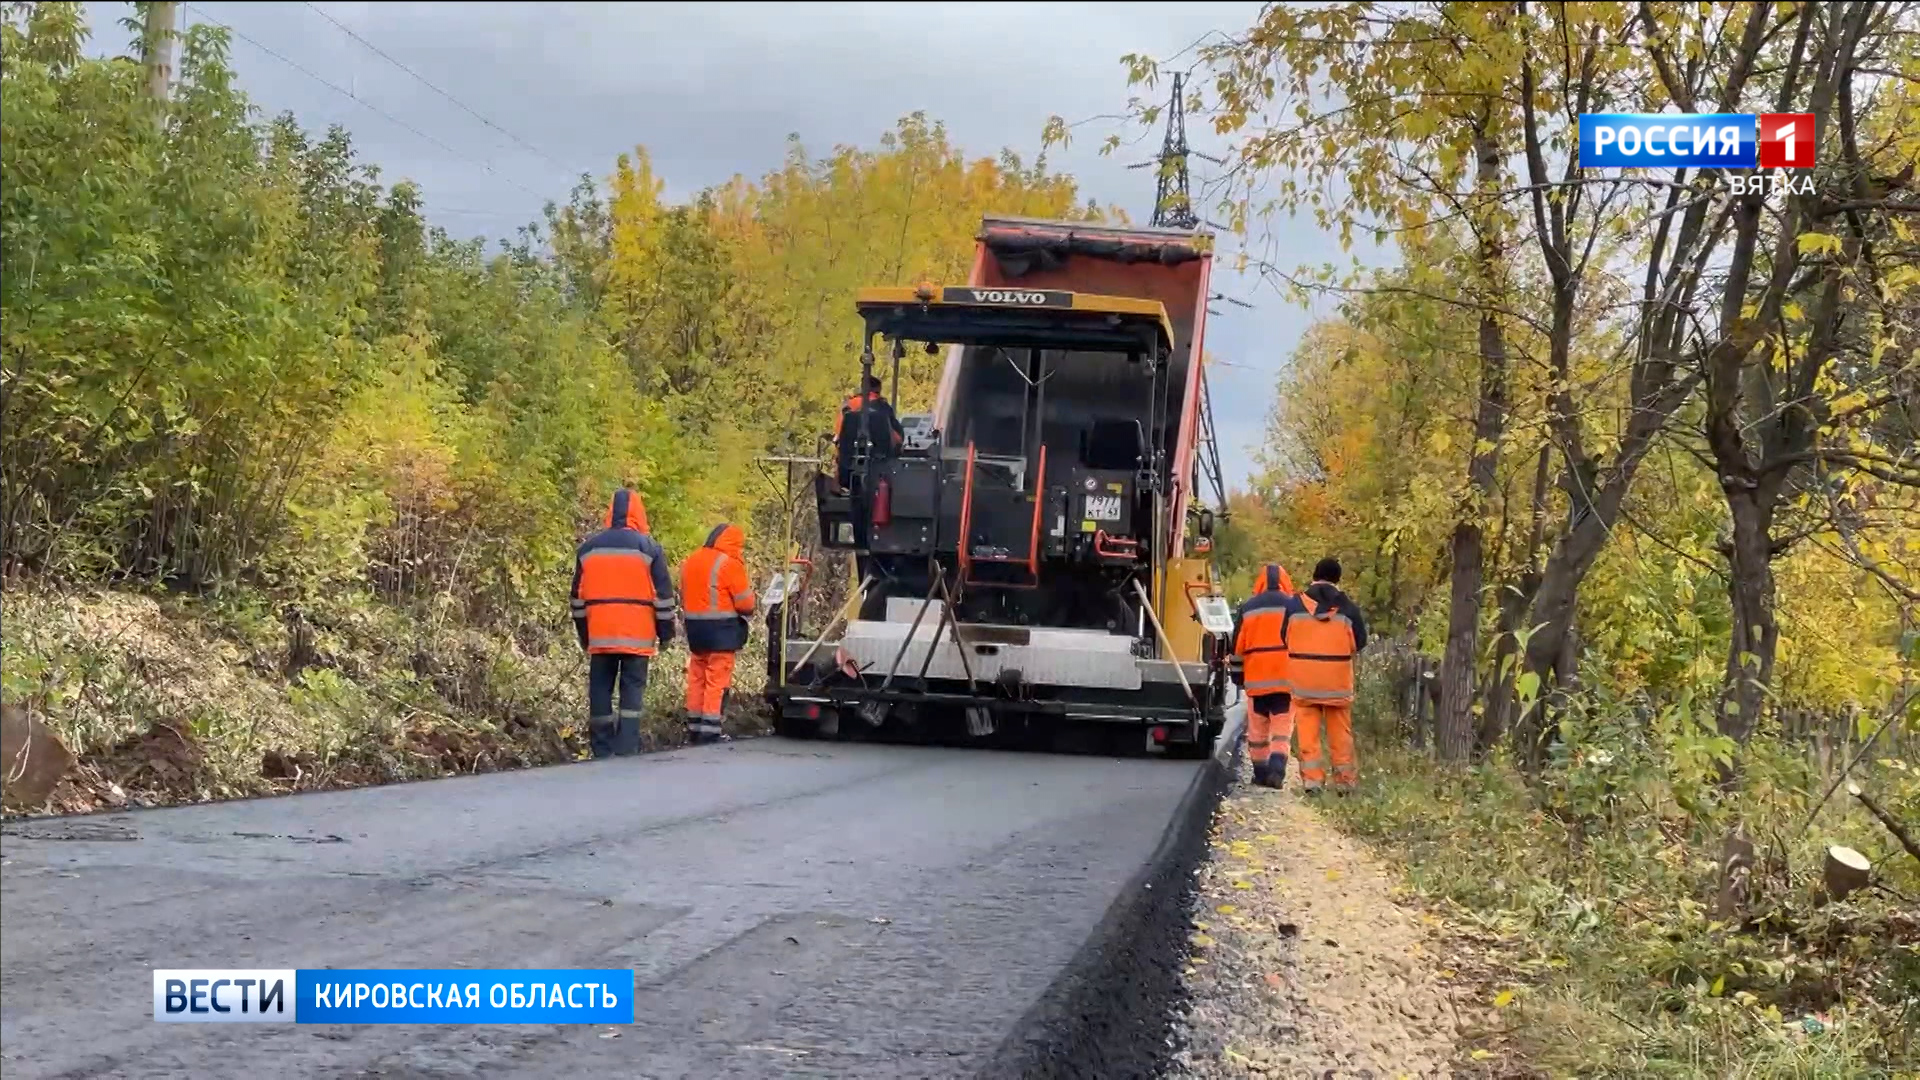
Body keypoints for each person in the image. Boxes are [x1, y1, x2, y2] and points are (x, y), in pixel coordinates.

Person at [569, 487, 677, 759]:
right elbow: (663, 598)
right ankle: (627, 748)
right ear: (639, 514)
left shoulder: (588, 549)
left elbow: (577, 600)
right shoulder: (649, 548)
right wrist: (666, 635)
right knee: (631, 693)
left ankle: (602, 749)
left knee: (600, 690)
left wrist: (585, 636)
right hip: (637, 637)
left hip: (600, 635)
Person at [1287, 556, 1368, 794]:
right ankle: (1345, 783)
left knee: (1308, 735)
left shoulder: (1294, 605)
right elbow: (1359, 642)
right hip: (1337, 683)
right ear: (1338, 579)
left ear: (1314, 575)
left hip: (1304, 682)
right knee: (1340, 736)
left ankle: (1312, 782)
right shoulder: (1349, 608)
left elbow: (1285, 637)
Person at [680, 522, 757, 745]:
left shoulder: (691, 560)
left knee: (697, 677)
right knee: (716, 680)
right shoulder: (729, 564)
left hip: (695, 631)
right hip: (722, 632)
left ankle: (694, 727)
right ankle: (710, 730)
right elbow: (746, 604)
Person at [1232, 563, 1299, 789]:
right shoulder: (1295, 606)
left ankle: (1260, 774)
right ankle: (1277, 770)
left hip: (1256, 681)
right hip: (1286, 680)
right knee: (1282, 730)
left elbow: (1238, 647)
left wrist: (1237, 677)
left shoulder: (1248, 608)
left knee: (1258, 731)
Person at [833, 375, 904, 492]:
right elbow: (897, 438)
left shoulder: (848, 406)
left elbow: (838, 438)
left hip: (848, 470)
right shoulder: (883, 408)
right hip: (879, 470)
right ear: (877, 390)